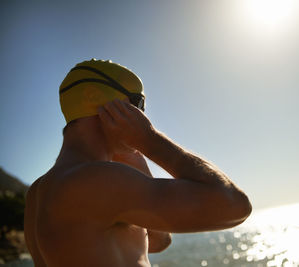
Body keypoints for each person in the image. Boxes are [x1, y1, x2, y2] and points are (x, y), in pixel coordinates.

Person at [24, 59, 252, 267]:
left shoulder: (37, 193)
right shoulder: (95, 181)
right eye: (137, 102)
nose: (143, 114)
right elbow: (234, 205)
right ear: (94, 98)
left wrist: (131, 154)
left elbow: (158, 240)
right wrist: (149, 139)